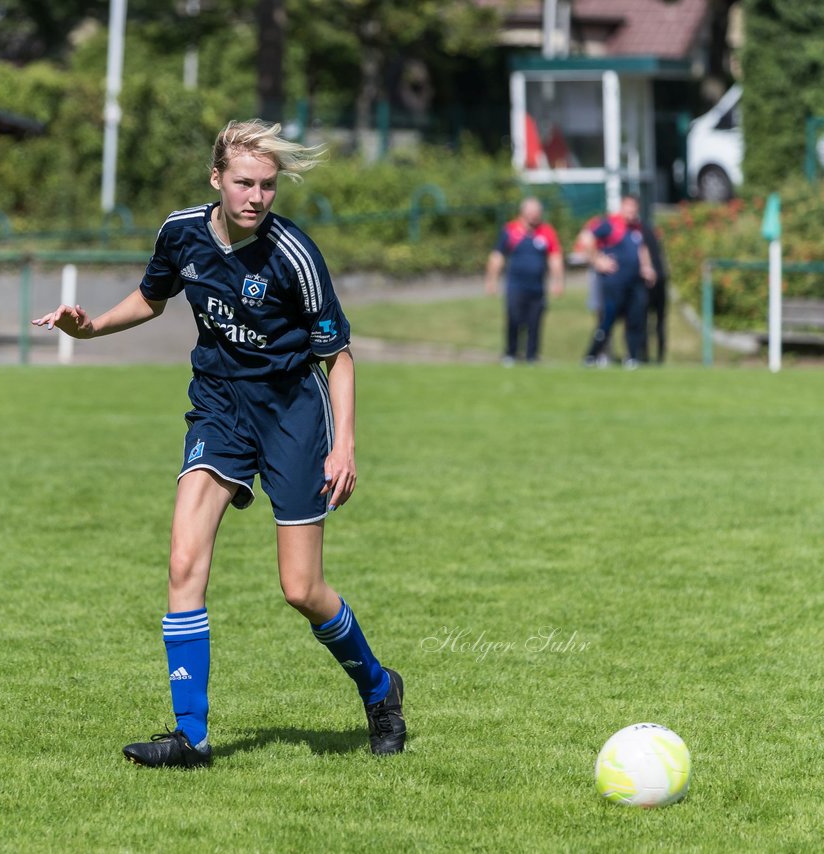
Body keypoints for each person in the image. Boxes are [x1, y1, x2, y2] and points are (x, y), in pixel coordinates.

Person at [33, 119, 405, 768]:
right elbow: (151, 300)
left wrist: (343, 445)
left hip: (292, 416)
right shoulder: (181, 233)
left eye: (267, 185)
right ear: (216, 180)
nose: (257, 197)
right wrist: (88, 329)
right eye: (244, 184)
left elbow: (337, 356)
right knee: (183, 560)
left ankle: (378, 687)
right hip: (220, 411)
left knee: (301, 588)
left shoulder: (295, 255)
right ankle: (192, 736)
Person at [576, 194, 656, 369]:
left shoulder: (636, 229)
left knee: (636, 320)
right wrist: (597, 260)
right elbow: (586, 237)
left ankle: (632, 357)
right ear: (622, 207)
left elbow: (642, 250)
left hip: (635, 283)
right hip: (614, 282)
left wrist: (647, 267)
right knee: (608, 320)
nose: (631, 211)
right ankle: (592, 356)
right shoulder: (609, 224)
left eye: (634, 207)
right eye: (628, 206)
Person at [484, 197, 565, 364]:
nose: (534, 216)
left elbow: (555, 256)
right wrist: (491, 280)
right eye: (531, 212)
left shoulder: (546, 231)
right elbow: (497, 256)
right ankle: (511, 354)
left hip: (537, 286)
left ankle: (531, 356)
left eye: (537, 213)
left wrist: (558, 281)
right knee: (514, 318)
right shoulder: (510, 230)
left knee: (535, 321)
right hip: (516, 285)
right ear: (523, 212)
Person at [639, 220, 669, 363]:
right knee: (646, 321)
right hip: (650, 282)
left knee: (658, 322)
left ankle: (658, 357)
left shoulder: (645, 231)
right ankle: (645, 356)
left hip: (658, 282)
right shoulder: (642, 232)